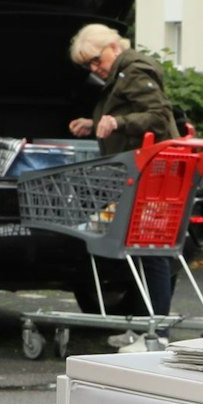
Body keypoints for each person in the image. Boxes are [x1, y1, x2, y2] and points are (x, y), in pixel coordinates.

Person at [67, 23, 180, 315]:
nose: (95, 68)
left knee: (150, 250)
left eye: (96, 59)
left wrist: (117, 123)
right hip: (147, 172)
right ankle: (146, 327)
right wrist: (94, 125)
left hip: (152, 173)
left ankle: (155, 330)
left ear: (114, 47)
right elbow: (134, 114)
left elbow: (158, 116)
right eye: (88, 65)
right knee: (147, 249)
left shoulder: (134, 71)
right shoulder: (122, 73)